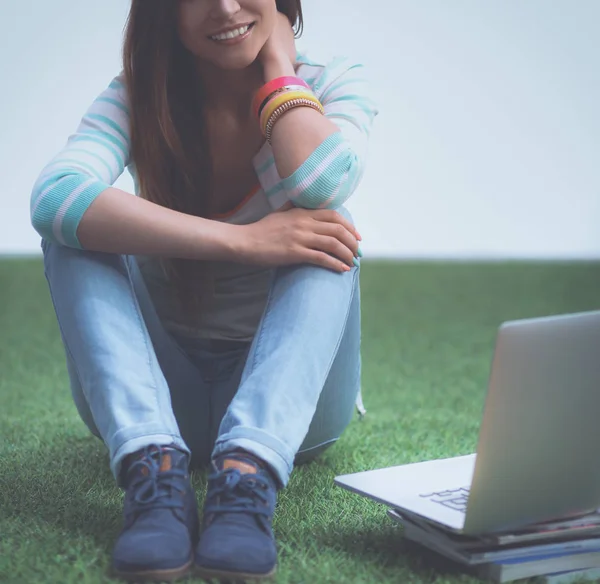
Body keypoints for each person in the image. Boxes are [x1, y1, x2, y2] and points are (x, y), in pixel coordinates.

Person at [30, 0, 377, 581]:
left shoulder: (331, 81)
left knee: (326, 230)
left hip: (298, 411)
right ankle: (154, 469)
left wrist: (278, 74)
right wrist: (246, 242)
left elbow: (322, 178)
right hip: (164, 392)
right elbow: (54, 196)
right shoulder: (140, 94)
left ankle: (249, 472)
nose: (223, 7)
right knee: (72, 233)